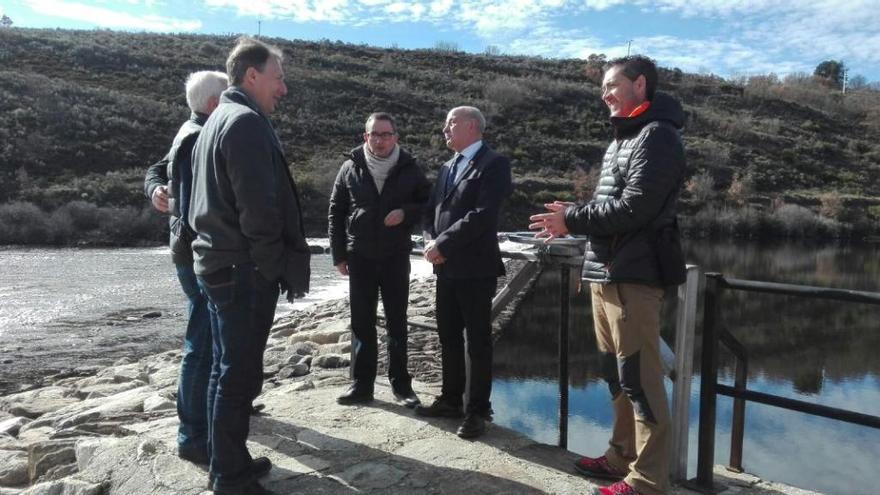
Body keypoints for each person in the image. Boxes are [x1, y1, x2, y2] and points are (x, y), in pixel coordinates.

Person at [528, 55, 686, 495]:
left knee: (641, 378)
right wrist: (573, 215)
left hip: (634, 276)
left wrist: (572, 219)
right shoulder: (627, 136)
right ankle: (621, 457)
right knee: (615, 375)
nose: (604, 95)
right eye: (602, 88)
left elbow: (637, 207)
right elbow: (614, 205)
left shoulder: (658, 137)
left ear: (639, 84)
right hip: (606, 272)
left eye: (611, 85)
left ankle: (649, 482)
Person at [189, 36, 310, 495]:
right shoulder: (244, 123)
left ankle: (230, 459)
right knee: (238, 377)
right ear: (252, 76)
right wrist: (271, 266)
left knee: (227, 370)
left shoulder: (217, 119)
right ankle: (229, 478)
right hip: (242, 271)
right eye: (278, 79)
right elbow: (259, 210)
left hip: (221, 267)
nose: (283, 90)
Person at [143, 70, 228, 466]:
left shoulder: (190, 128)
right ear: (214, 104)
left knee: (209, 338)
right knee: (202, 343)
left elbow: (156, 172)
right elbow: (200, 209)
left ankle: (212, 414)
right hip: (198, 254)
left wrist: (155, 190)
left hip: (188, 249)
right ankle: (193, 435)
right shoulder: (198, 137)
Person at [414, 106, 512, 439]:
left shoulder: (494, 164)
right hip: (445, 267)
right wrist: (431, 241)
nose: (445, 129)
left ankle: (477, 411)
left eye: (451, 123)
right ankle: (451, 399)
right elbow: (431, 212)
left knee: (478, 342)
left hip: (475, 268)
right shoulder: (446, 167)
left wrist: (443, 243)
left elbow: (483, 214)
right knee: (448, 336)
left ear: (472, 126)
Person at [328, 112, 430, 408]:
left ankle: (402, 386)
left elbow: (427, 204)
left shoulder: (410, 168)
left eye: (386, 134)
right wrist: (339, 255)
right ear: (366, 137)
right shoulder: (350, 167)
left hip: (395, 255)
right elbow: (336, 213)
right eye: (375, 134)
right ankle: (362, 385)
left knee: (397, 322)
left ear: (396, 137)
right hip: (359, 256)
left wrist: (405, 214)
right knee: (361, 322)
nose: (381, 140)